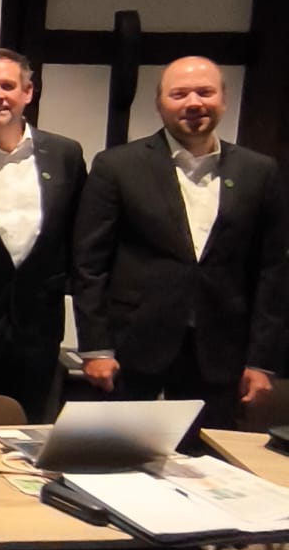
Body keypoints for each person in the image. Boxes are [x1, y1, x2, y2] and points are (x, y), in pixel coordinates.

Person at [72, 55, 287, 429]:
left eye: (205, 92)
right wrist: (95, 347)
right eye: (179, 94)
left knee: (209, 455)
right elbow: (89, 264)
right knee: (119, 451)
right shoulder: (117, 166)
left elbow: (272, 271)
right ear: (159, 103)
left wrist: (260, 361)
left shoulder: (259, 171)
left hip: (221, 351)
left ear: (223, 99)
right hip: (131, 348)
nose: (193, 102)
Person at [0, 48, 86, 423]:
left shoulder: (65, 155)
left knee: (33, 437)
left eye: (7, 86)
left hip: (39, 333)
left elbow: (79, 242)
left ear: (28, 92)